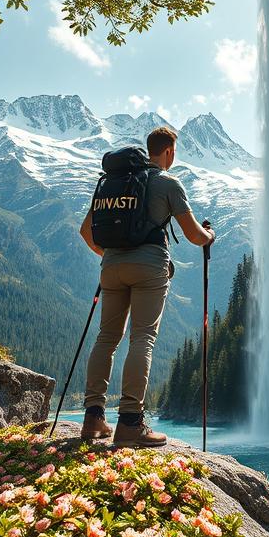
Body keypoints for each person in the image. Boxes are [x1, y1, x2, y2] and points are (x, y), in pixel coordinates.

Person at [79, 125, 215, 446]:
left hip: (110, 268)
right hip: (149, 268)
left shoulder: (114, 184)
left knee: (107, 338)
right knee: (143, 338)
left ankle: (93, 418)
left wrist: (113, 255)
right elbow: (194, 235)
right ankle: (130, 422)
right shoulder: (167, 182)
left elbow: (87, 232)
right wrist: (210, 235)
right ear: (169, 152)